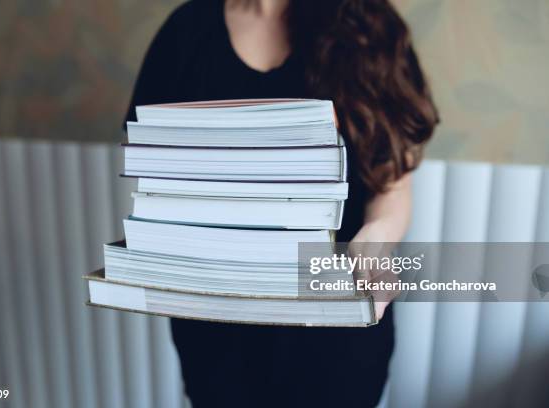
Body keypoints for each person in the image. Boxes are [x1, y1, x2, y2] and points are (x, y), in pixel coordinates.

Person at [124, 0, 438, 406]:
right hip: (218, 331)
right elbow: (155, 167)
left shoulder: (368, 25)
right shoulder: (185, 31)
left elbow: (394, 183)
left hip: (336, 327)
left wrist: (376, 237)